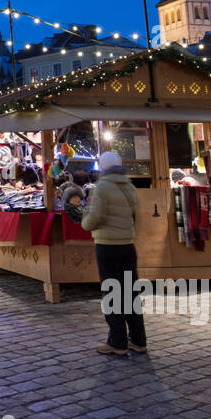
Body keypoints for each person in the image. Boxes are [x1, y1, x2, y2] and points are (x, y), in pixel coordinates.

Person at [81, 151, 145, 356]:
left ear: (103, 167)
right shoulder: (130, 187)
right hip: (128, 245)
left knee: (112, 292)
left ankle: (117, 341)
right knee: (130, 292)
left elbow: (93, 217)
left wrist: (85, 223)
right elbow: (139, 217)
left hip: (107, 246)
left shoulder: (100, 188)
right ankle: (138, 339)